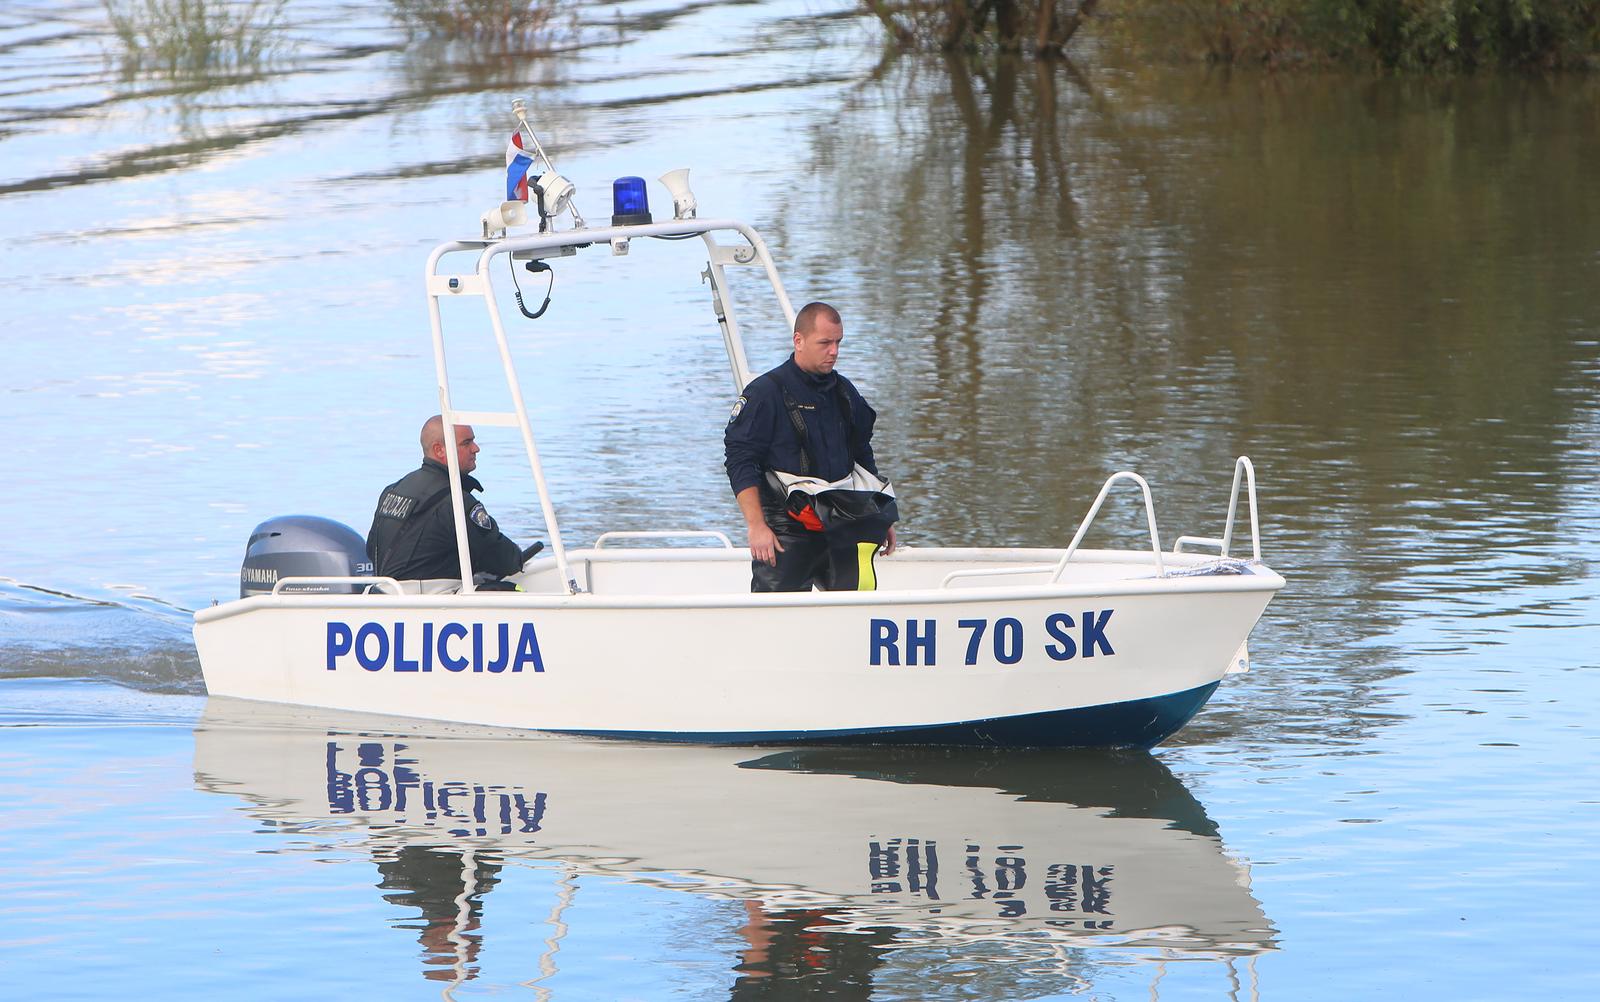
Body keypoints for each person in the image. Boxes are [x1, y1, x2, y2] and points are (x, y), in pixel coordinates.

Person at [724, 302, 897, 592]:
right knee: (776, 618)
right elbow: (740, 461)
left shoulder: (844, 392)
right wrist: (756, 527)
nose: (834, 351)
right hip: (787, 528)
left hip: (844, 522)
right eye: (825, 343)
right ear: (799, 341)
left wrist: (878, 517)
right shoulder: (765, 393)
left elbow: (862, 455)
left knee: (856, 612)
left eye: (838, 342)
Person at [367, 416, 524, 582]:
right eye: (466, 443)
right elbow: (506, 559)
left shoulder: (392, 490)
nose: (476, 448)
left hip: (386, 595)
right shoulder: (455, 501)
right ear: (439, 450)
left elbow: (371, 549)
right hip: (431, 601)